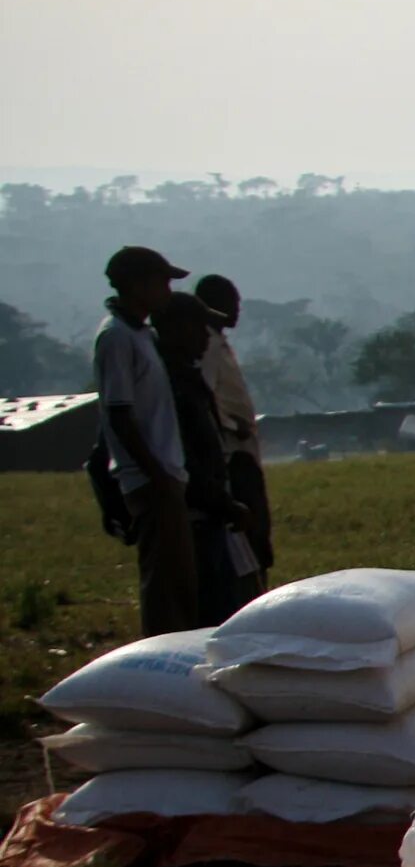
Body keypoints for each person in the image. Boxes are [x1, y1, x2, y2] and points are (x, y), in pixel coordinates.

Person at [92, 247, 200, 634]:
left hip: (164, 475)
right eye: (162, 283)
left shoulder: (140, 335)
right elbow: (118, 415)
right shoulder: (116, 338)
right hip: (151, 479)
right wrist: (157, 475)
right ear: (137, 286)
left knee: (179, 581)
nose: (168, 291)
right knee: (164, 584)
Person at [149, 292, 253, 621]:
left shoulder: (184, 376)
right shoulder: (169, 385)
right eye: (199, 329)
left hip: (208, 507)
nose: (205, 339)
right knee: (210, 607)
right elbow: (183, 453)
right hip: (196, 509)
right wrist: (219, 501)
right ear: (178, 329)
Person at [192, 273, 273, 594]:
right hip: (232, 453)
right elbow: (203, 397)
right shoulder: (208, 346)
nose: (237, 310)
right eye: (231, 303)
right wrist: (231, 425)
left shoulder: (218, 342)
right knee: (250, 531)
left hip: (242, 449)